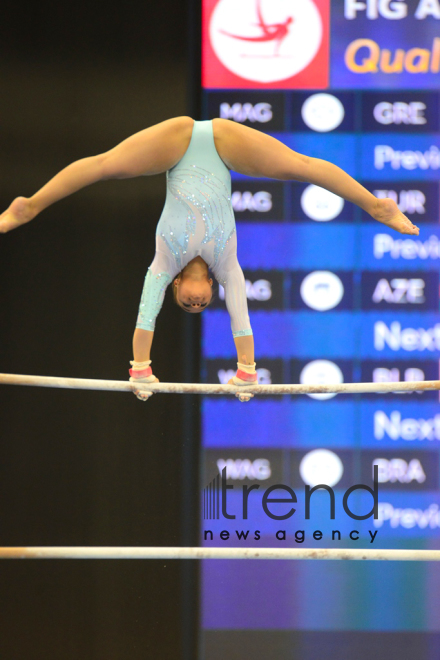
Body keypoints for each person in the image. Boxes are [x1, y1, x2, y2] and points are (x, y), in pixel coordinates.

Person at [0, 116, 420, 402]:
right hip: (225, 146)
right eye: (204, 304)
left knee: (105, 165)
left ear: (177, 287)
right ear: (213, 289)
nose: (197, 303)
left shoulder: (163, 265)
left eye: (188, 303)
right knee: (299, 166)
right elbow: (241, 318)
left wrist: (141, 369)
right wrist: (246, 372)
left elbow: (146, 316)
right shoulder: (228, 267)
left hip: (173, 145)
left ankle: (30, 205)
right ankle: (376, 205)